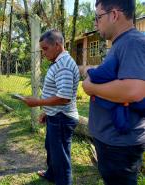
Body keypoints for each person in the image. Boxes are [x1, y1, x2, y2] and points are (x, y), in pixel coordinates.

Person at [82, 0, 145, 185]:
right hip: (112, 141)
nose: (95, 23)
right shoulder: (120, 44)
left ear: (114, 15)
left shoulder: (132, 42)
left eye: (98, 17)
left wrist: (91, 88)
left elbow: (134, 90)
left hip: (120, 145)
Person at [22, 29, 80, 185]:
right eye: (42, 49)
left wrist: (37, 103)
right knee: (51, 147)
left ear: (58, 45)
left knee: (60, 157)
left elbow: (64, 98)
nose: (43, 53)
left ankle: (62, 180)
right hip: (56, 115)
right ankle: (52, 174)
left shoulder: (64, 65)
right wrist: (46, 112)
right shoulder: (59, 62)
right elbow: (57, 92)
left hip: (62, 117)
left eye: (45, 49)